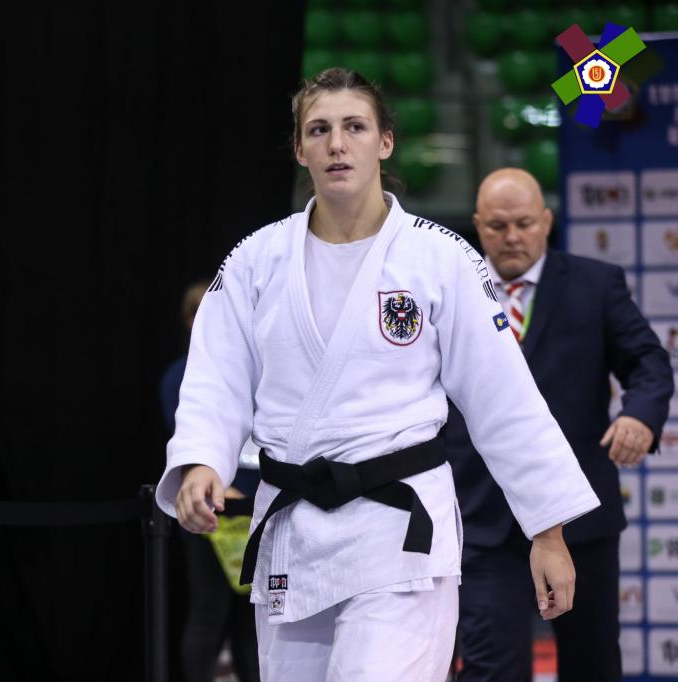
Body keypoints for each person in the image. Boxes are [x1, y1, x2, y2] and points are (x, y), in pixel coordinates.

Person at [154, 67, 601, 681]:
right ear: (299, 148)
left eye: (355, 127)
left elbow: (505, 400)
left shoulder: (439, 258)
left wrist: (547, 532)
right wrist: (203, 460)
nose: (337, 144)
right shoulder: (256, 259)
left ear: (385, 141)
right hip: (294, 533)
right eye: (319, 130)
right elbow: (215, 375)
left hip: (398, 535)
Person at [447, 168, 673, 682]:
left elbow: (648, 362)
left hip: (580, 517)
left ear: (546, 221)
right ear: (478, 226)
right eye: (498, 225)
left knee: (592, 666)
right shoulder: (450, 293)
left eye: (524, 223)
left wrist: (639, 414)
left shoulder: (596, 284)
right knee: (490, 670)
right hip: (482, 516)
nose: (512, 236)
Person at [161, 280, 260, 682]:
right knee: (209, 609)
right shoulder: (181, 375)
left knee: (253, 616)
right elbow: (188, 436)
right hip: (212, 510)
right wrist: (215, 486)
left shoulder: (253, 367)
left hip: (256, 508)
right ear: (189, 320)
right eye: (202, 311)